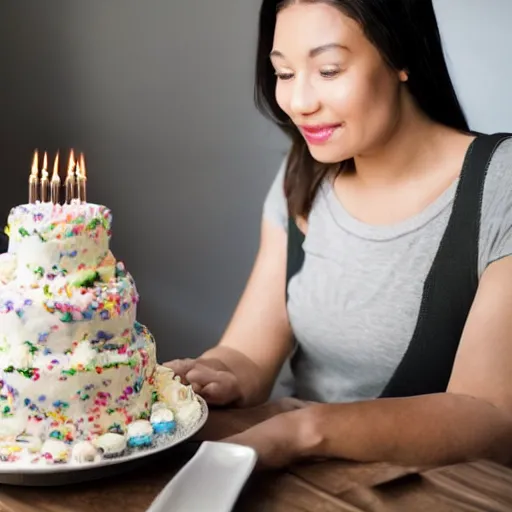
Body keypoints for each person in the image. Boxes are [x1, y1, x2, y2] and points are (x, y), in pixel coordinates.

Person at [166, 0, 512, 469]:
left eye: (328, 70)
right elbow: (248, 351)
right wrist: (217, 373)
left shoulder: (500, 182)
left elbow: (491, 417)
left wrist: (304, 429)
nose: (299, 102)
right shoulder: (303, 177)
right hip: (305, 476)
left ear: (401, 58)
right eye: (284, 74)